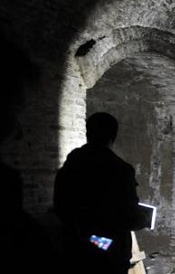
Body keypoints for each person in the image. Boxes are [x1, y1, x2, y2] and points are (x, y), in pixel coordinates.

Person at [53, 112, 148, 274]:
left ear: (88, 132)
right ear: (113, 136)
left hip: (74, 247)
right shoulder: (120, 170)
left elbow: (61, 207)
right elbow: (129, 217)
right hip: (108, 252)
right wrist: (143, 219)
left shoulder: (71, 164)